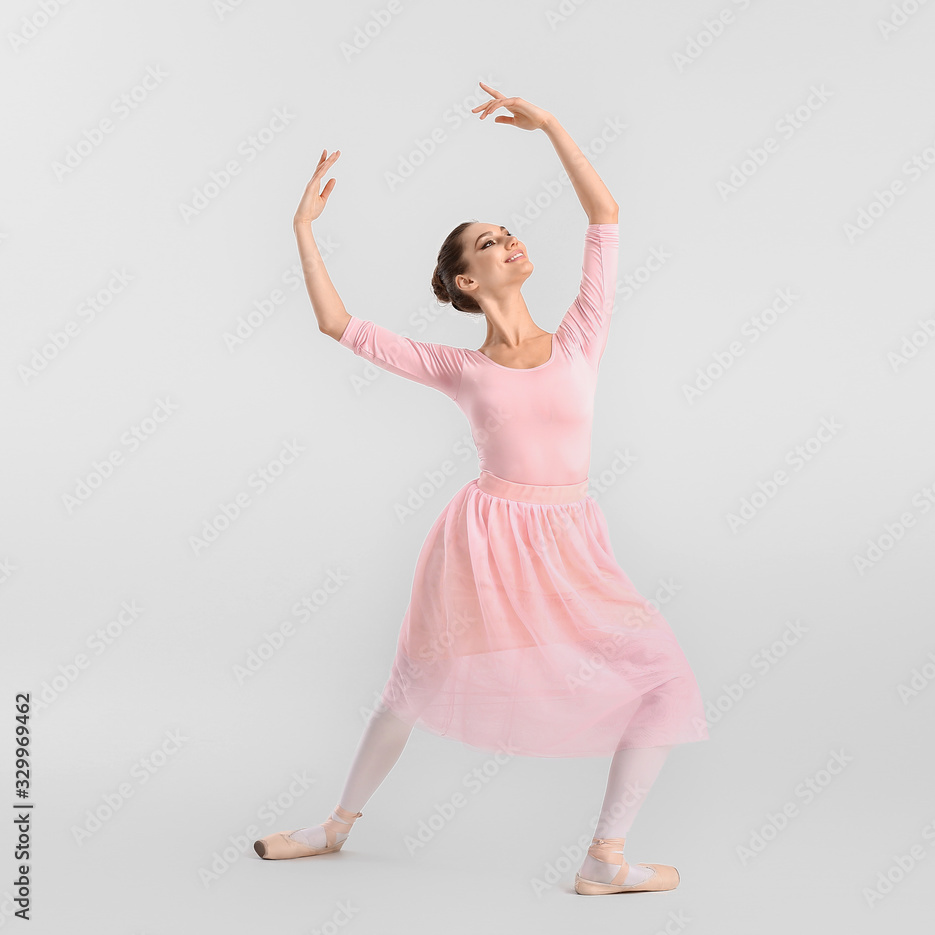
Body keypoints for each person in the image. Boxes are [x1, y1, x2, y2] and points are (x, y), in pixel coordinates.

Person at [253, 83, 709, 896]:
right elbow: (340, 325)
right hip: (484, 541)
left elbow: (604, 214)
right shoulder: (457, 367)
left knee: (665, 679)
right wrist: (301, 230)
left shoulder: (579, 335)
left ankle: (606, 856)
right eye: (491, 242)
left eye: (508, 233)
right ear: (466, 282)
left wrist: (552, 127)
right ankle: (334, 826)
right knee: (414, 681)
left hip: (571, 542)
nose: (510, 243)